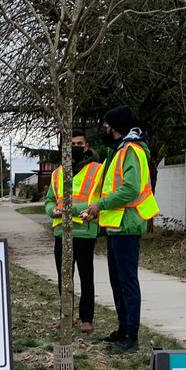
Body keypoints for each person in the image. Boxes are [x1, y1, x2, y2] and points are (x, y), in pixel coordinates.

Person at [81, 105, 159, 352]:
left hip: (127, 226)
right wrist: (95, 210)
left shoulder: (131, 150)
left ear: (115, 127)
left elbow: (130, 189)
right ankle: (123, 329)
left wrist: (100, 205)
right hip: (116, 226)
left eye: (106, 125)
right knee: (118, 283)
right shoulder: (117, 151)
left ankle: (131, 337)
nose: (104, 129)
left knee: (127, 283)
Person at [44, 130, 104, 333]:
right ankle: (66, 315)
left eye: (80, 144)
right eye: (72, 144)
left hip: (85, 231)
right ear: (64, 148)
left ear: (86, 146)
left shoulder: (98, 170)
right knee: (64, 278)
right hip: (62, 232)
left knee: (86, 277)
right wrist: (52, 210)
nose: (76, 147)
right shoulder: (57, 173)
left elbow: (101, 198)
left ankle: (87, 318)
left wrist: (72, 209)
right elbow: (49, 200)